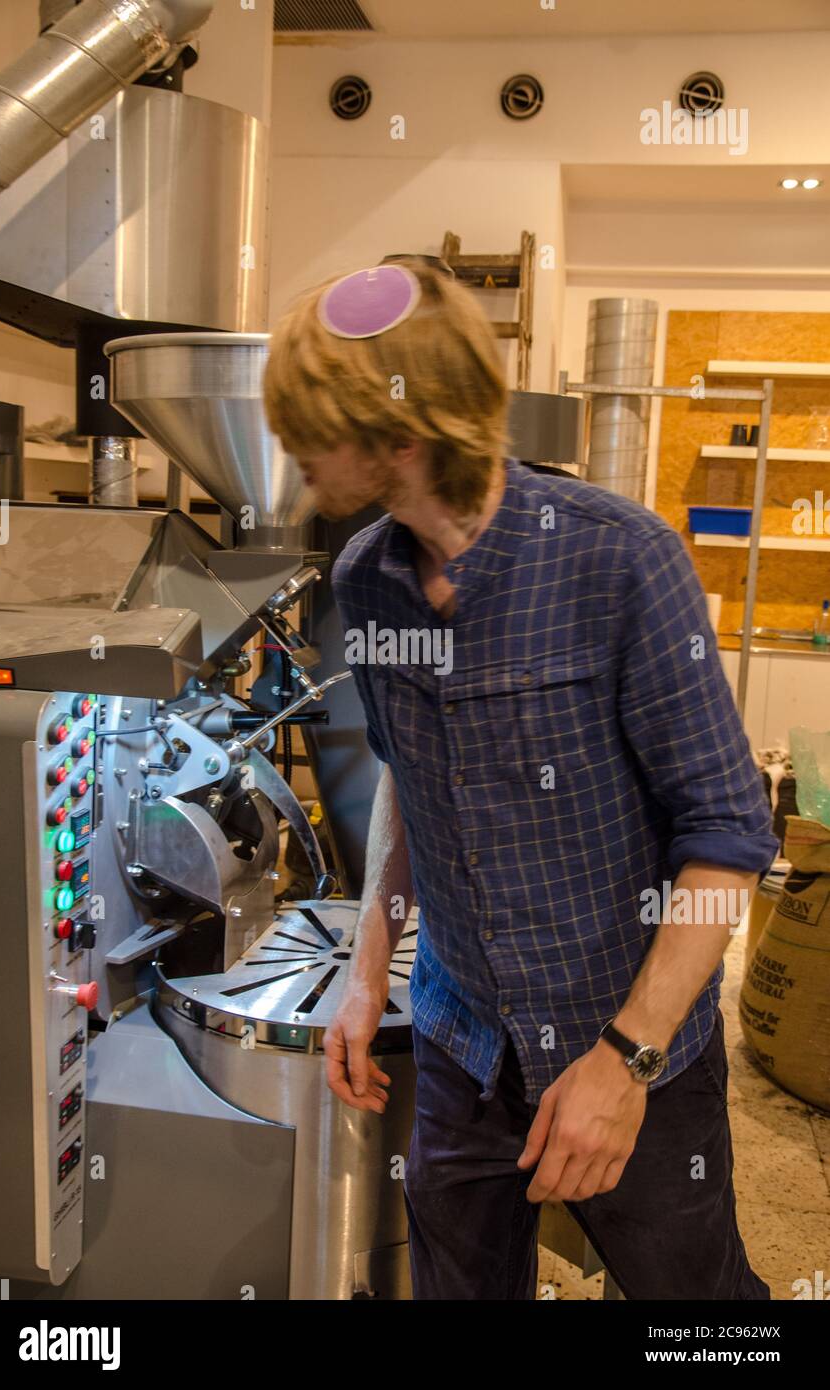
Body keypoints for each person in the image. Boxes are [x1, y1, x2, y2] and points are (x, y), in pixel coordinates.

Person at [264, 260, 778, 1301]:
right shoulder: (367, 575)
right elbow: (412, 775)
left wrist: (624, 1063)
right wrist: (371, 973)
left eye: (311, 429)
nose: (292, 453)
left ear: (399, 437)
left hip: (628, 1037)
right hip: (463, 1039)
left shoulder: (619, 561)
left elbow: (728, 839)